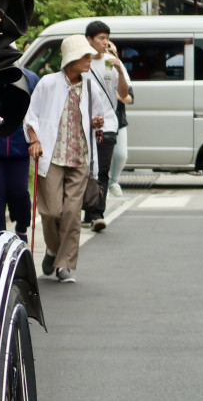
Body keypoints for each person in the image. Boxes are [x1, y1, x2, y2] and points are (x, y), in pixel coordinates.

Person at [24, 35, 117, 283]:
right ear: (72, 59)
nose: (90, 59)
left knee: (72, 213)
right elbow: (31, 116)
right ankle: (54, 250)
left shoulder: (89, 85)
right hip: (52, 155)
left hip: (80, 156)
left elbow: (100, 115)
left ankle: (65, 264)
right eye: (85, 56)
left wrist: (97, 121)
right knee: (52, 211)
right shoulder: (48, 83)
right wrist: (34, 140)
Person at [81, 20, 129, 231]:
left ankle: (97, 214)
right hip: (83, 125)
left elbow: (125, 94)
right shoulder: (82, 63)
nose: (105, 42)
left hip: (108, 124)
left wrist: (119, 70)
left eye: (107, 38)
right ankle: (87, 210)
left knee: (102, 170)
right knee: (84, 170)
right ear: (89, 40)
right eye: (101, 38)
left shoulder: (112, 62)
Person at [0, 66, 41, 244]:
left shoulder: (30, 78)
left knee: (19, 193)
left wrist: (35, 139)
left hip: (20, 148)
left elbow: (37, 111)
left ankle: (22, 226)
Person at [106, 39, 134, 197]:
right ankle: (103, 184)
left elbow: (130, 97)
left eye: (112, 52)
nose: (110, 54)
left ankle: (113, 181)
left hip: (118, 119)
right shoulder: (94, 66)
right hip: (100, 119)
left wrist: (120, 96)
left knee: (121, 154)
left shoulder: (120, 69)